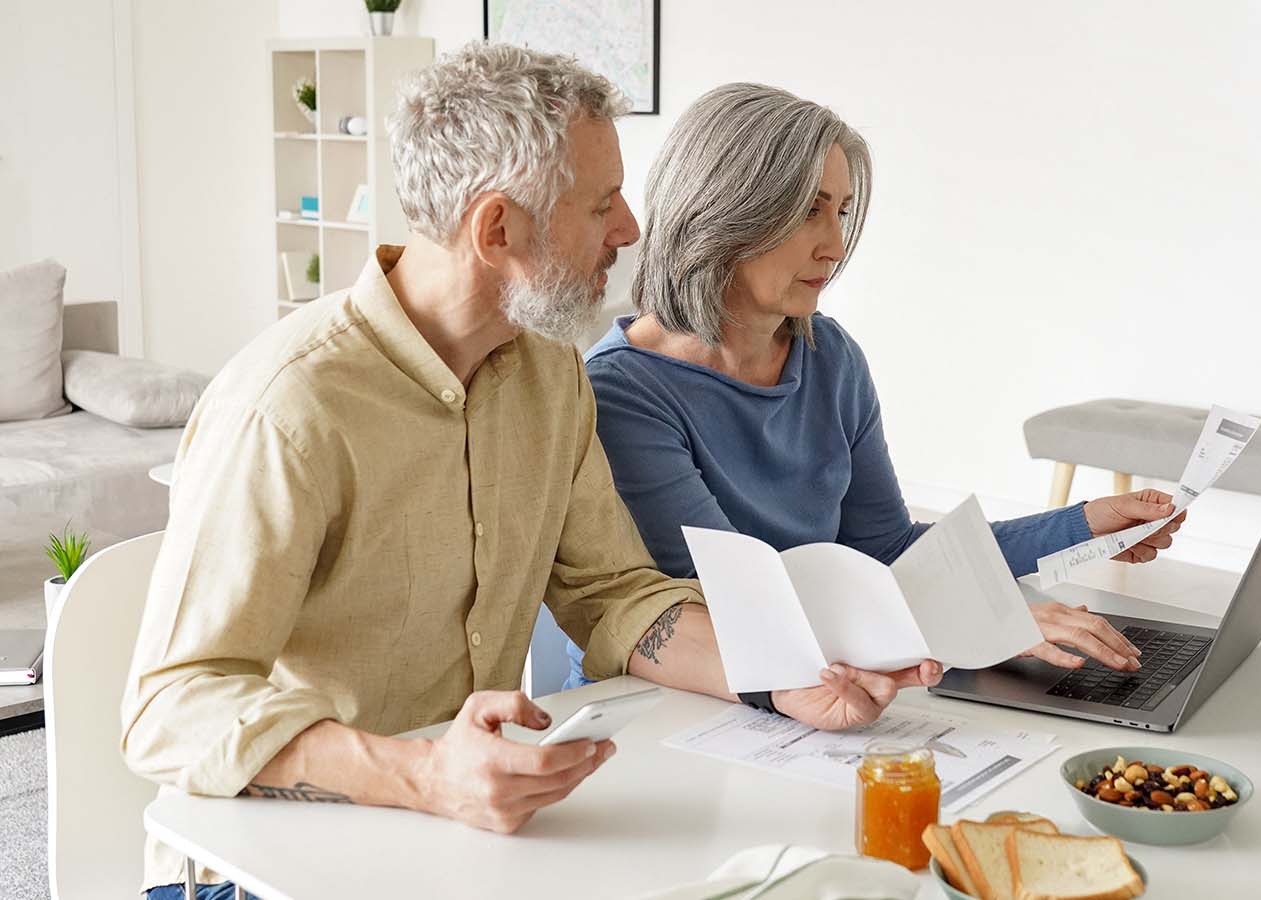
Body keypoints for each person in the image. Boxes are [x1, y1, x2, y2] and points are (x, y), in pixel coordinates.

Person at [122, 48, 938, 899]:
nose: (630, 228)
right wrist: (425, 775)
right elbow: (169, 711)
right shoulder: (289, 409)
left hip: (458, 837)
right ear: (497, 230)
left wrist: (780, 677)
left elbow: (616, 593)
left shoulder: (552, 375)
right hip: (259, 864)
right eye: (600, 204)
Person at [564, 83, 1184, 689]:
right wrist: (974, 624)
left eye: (840, 210)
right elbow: (747, 601)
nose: (834, 245)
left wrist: (1082, 526)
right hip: (665, 701)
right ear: (723, 209)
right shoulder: (624, 392)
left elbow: (886, 549)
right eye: (809, 209)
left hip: (815, 683)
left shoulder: (828, 355)